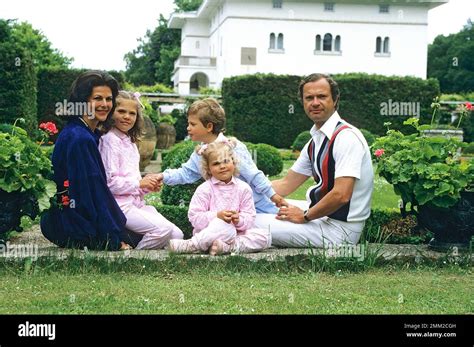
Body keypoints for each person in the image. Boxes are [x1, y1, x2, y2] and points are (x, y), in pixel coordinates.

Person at [255, 73, 374, 247]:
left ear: (335, 99)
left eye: (322, 96)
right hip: (322, 218)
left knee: (250, 221)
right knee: (253, 208)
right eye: (309, 98)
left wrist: (304, 216)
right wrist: (239, 194)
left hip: (340, 231)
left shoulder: (346, 137)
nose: (315, 102)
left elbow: (341, 195)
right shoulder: (315, 141)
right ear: (303, 102)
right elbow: (286, 184)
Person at [40, 71, 136, 251]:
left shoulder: (85, 132)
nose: (105, 105)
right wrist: (111, 238)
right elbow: (90, 193)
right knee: (144, 236)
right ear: (82, 101)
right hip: (70, 226)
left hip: (65, 221)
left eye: (109, 99)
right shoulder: (80, 138)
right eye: (97, 98)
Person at [155, 98, 286, 214]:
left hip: (255, 206)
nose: (188, 128)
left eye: (192, 124)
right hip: (225, 209)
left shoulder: (232, 147)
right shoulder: (200, 153)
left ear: (209, 126)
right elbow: (185, 174)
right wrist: (163, 176)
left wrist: (273, 195)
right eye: (188, 123)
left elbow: (253, 175)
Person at [98, 91, 184, 249]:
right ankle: (137, 259)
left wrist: (147, 186)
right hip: (119, 206)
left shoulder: (130, 142)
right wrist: (139, 183)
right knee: (163, 230)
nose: (127, 117)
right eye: (121, 111)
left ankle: (150, 253)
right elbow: (109, 183)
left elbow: (136, 183)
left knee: (177, 235)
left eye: (132, 113)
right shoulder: (110, 140)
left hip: (137, 204)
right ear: (111, 113)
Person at [168, 141, 271, 255]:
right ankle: (192, 245)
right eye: (216, 163)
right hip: (210, 232)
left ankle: (225, 248)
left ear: (234, 162)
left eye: (226, 161)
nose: (222, 166)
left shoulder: (244, 188)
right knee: (225, 226)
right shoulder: (205, 189)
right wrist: (217, 216)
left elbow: (250, 216)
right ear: (208, 168)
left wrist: (239, 219)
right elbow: (194, 217)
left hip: (237, 233)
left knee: (264, 237)